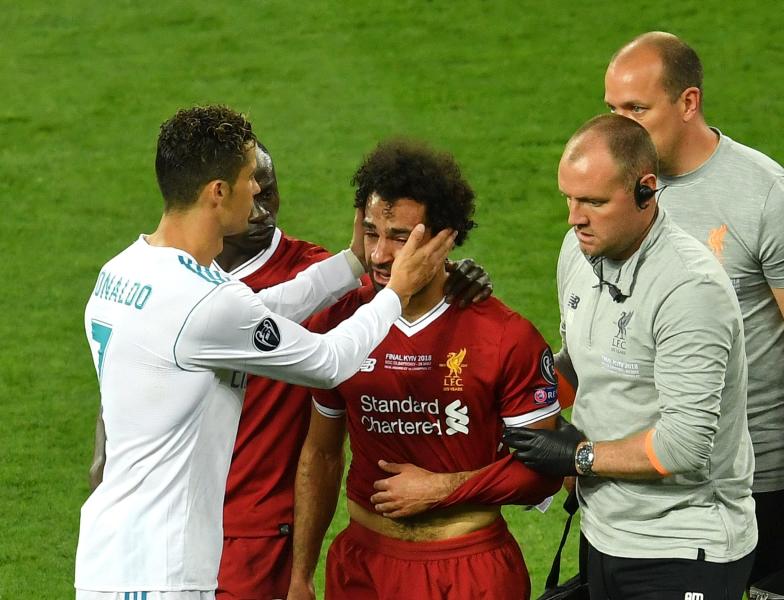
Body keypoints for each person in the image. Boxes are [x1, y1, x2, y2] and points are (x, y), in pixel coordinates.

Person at [86, 140, 493, 600]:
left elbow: (263, 308)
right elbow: (328, 361)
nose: (260, 193)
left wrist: (367, 262)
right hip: (159, 564)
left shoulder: (125, 270)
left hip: (118, 545)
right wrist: (397, 292)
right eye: (250, 182)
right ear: (219, 192)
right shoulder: (206, 299)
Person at [602, 32, 784, 581]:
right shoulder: (614, 193)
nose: (619, 127)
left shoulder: (765, 198)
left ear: (689, 102)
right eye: (611, 108)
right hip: (657, 478)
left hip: (771, 482)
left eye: (636, 108)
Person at [288, 139, 563, 600]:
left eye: (399, 236)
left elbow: (542, 473)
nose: (378, 255)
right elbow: (320, 455)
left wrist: (441, 489)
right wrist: (300, 575)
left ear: (444, 238)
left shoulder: (504, 337)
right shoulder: (343, 325)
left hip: (468, 569)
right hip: (364, 567)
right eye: (372, 233)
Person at [504, 114, 756, 600]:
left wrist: (578, 457)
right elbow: (580, 365)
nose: (574, 218)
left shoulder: (689, 289)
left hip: (683, 546)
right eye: (570, 199)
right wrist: (510, 398)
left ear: (646, 190)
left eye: (594, 202)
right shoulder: (578, 251)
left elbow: (685, 445)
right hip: (603, 532)